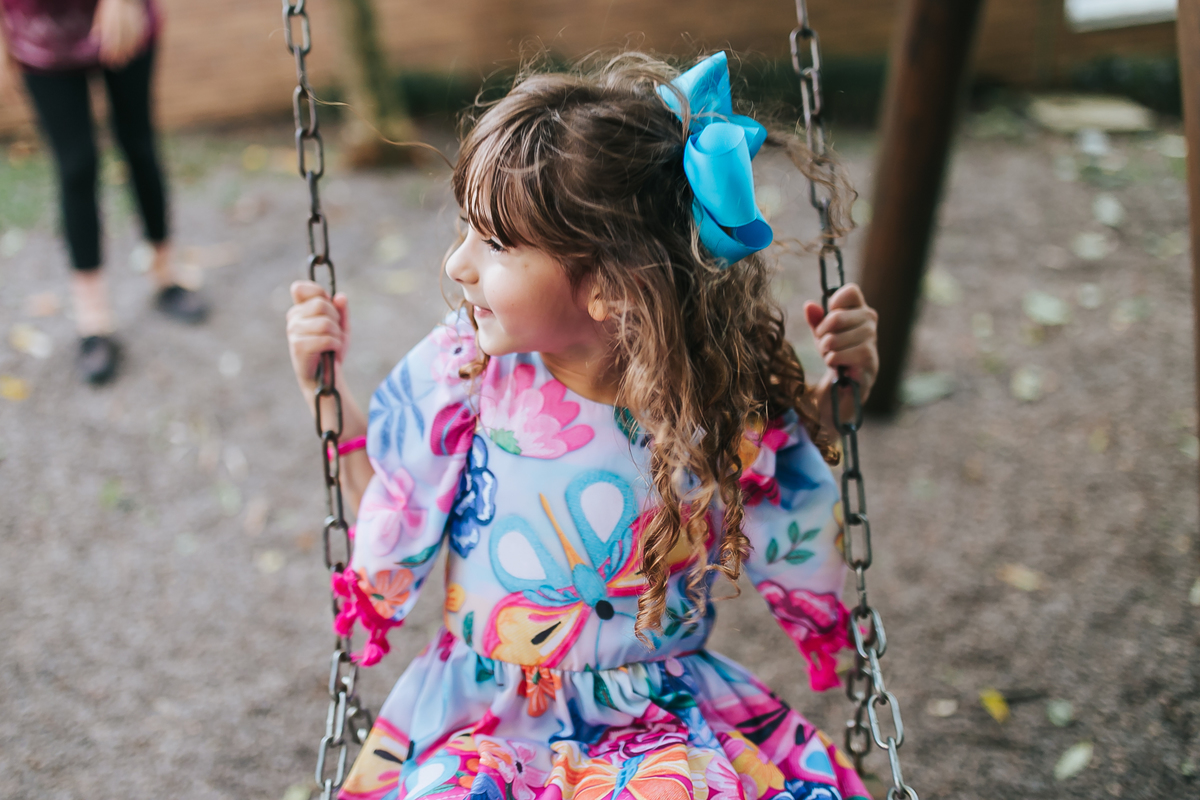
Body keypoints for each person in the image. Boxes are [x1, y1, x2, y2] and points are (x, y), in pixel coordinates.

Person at [286, 52, 880, 800]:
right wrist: (325, 396)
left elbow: (784, 483)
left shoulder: (712, 398)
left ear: (608, 285)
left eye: (496, 244)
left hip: (657, 723)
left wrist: (842, 393)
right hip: (487, 722)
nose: (458, 265)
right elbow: (393, 504)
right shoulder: (465, 375)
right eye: (467, 230)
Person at [0, 0, 206, 385]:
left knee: (139, 146)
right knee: (75, 167)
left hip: (120, 18)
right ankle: (92, 320)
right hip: (39, 36)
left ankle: (166, 276)